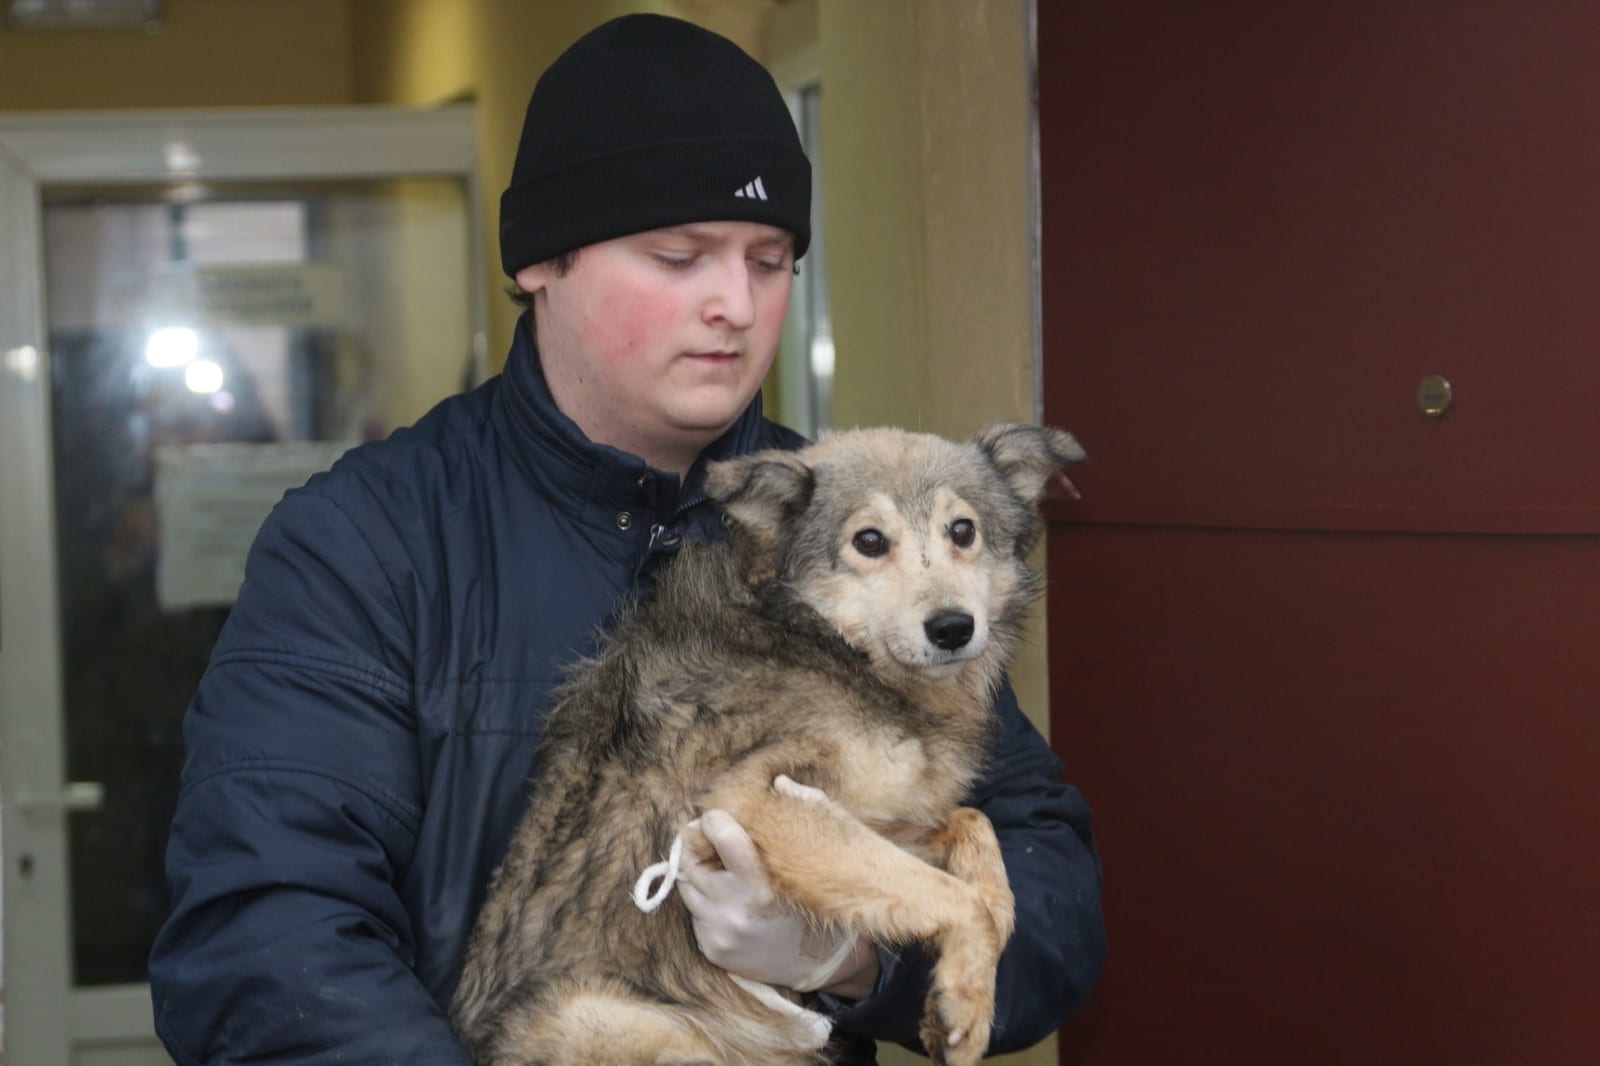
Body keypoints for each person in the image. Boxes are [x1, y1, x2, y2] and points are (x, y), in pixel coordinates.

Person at [149, 13, 1105, 1064]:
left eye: (770, 259)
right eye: (679, 256)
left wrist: (848, 963)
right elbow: (264, 940)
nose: (733, 306)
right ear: (539, 265)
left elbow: (1045, 876)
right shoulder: (366, 543)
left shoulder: (846, 533)